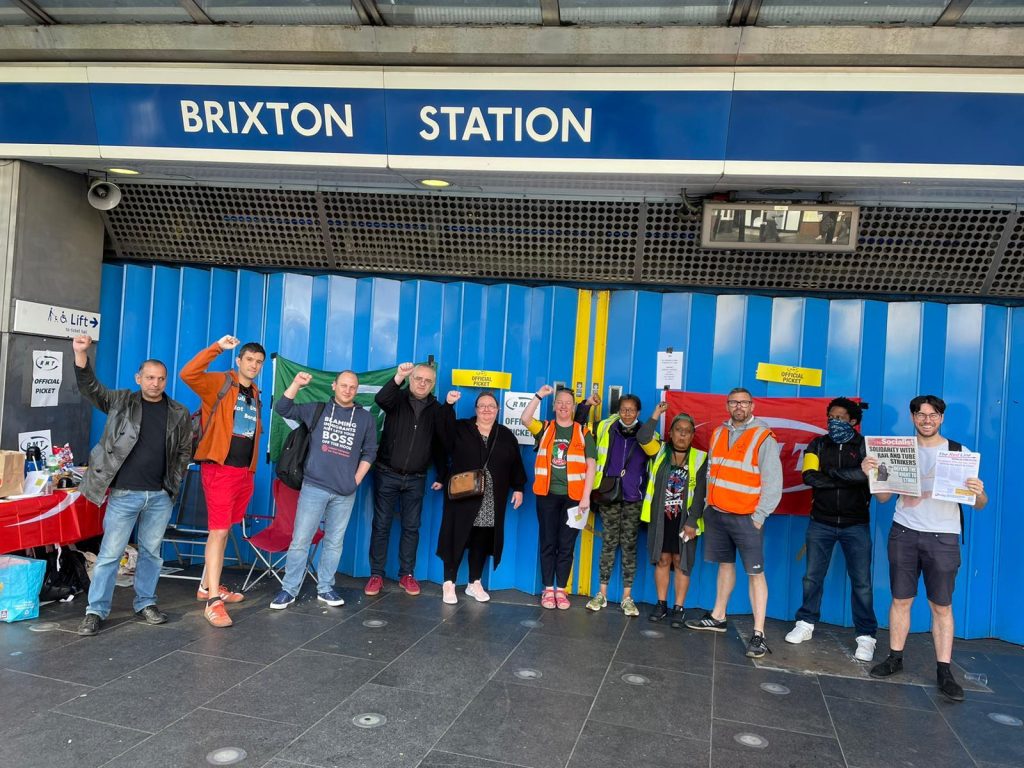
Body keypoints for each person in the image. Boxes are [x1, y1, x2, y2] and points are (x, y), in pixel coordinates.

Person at [864, 394, 987, 702]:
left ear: (941, 418)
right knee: (901, 599)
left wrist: (979, 492)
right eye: (921, 414)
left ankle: (944, 671)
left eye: (933, 415)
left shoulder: (960, 452)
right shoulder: (898, 451)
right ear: (913, 417)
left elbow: (981, 505)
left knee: (941, 606)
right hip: (904, 531)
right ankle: (895, 657)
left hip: (943, 537)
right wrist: (873, 474)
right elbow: (881, 498)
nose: (927, 419)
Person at [73, 335, 192, 636]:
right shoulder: (122, 401)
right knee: (110, 555)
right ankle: (95, 610)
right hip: (125, 494)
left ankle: (146, 603)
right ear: (139, 378)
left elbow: (183, 452)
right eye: (150, 377)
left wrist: (171, 485)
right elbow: (90, 388)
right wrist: (80, 354)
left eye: (161, 378)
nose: (155, 383)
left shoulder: (178, 412)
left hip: (159, 496)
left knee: (152, 553)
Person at [685, 387, 782, 659]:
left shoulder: (764, 436)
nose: (738, 406)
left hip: (747, 518)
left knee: (755, 573)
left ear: (752, 405)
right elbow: (711, 472)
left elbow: (774, 482)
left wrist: (759, 516)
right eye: (733, 402)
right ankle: (718, 616)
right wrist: (706, 507)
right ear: (727, 405)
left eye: (743, 403)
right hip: (717, 514)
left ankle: (759, 634)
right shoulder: (718, 432)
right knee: (725, 566)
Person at [270, 370, 377, 609]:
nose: (348, 390)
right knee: (300, 540)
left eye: (352, 387)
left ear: (356, 390)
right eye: (343, 385)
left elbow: (370, 452)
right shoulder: (316, 409)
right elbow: (283, 408)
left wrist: (355, 481)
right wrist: (296, 383)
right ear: (334, 386)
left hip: (344, 492)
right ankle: (289, 589)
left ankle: (325, 587)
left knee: (334, 542)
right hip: (314, 487)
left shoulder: (365, 419)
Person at [180, 334, 266, 628]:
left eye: (258, 362)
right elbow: (187, 374)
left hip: (243, 472)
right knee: (217, 532)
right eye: (249, 360)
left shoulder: (254, 392)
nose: (253, 365)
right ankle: (213, 601)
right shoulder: (221, 382)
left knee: (225, 529)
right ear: (239, 360)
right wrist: (217, 348)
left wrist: (251, 470)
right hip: (220, 469)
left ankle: (207, 585)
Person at [785, 397, 877, 661]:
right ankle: (805, 623)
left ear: (854, 421)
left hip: (856, 524)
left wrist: (835, 476)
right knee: (812, 577)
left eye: (840, 418)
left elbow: (870, 479)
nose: (834, 422)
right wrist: (851, 474)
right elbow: (810, 477)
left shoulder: (866, 447)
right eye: (831, 417)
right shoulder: (817, 444)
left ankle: (866, 635)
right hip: (821, 522)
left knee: (861, 583)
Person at [436, 390, 526, 604]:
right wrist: (448, 406)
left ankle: (474, 582)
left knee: (482, 539)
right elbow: (440, 438)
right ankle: (448, 583)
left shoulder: (505, 435)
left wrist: (519, 488)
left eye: (491, 406)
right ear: (476, 409)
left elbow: (515, 464)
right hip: (463, 494)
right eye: (482, 406)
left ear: (498, 410)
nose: (486, 409)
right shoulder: (461, 428)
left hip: (492, 498)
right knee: (456, 536)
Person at [366, 362, 446, 597]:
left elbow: (440, 444)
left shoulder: (437, 409)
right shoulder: (397, 399)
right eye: (418, 378)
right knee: (381, 526)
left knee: (412, 527)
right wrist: (398, 376)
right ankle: (376, 574)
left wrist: (442, 474)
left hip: (416, 479)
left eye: (427, 380)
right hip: (386, 473)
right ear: (411, 379)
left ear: (433, 384)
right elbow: (381, 399)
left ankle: (406, 575)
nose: (422, 383)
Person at [520, 385, 597, 610]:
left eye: (568, 403)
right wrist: (538, 396)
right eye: (560, 402)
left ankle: (561, 590)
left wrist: (586, 497)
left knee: (566, 545)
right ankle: (547, 589)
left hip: (574, 499)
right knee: (548, 542)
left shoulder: (584, 432)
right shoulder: (545, 428)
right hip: (547, 496)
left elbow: (591, 466)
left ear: (574, 407)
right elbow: (525, 419)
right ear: (554, 406)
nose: (564, 406)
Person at [638, 404, 708, 627]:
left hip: (685, 522)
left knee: (681, 562)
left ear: (693, 435)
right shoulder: (659, 450)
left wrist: (691, 521)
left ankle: (679, 607)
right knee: (662, 559)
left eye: (688, 431)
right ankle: (661, 604)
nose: (683, 434)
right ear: (671, 432)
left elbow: (700, 494)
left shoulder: (700, 457)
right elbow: (642, 436)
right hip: (661, 519)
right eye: (678, 429)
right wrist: (656, 414)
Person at [582, 394, 649, 617]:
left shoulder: (648, 434)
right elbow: (581, 427)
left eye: (631, 410)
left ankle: (627, 598)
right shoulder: (606, 427)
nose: (627, 413)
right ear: (618, 411)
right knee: (609, 544)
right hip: (609, 494)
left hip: (634, 497)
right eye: (624, 409)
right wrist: (586, 405)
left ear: (638, 412)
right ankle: (601, 594)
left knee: (629, 546)